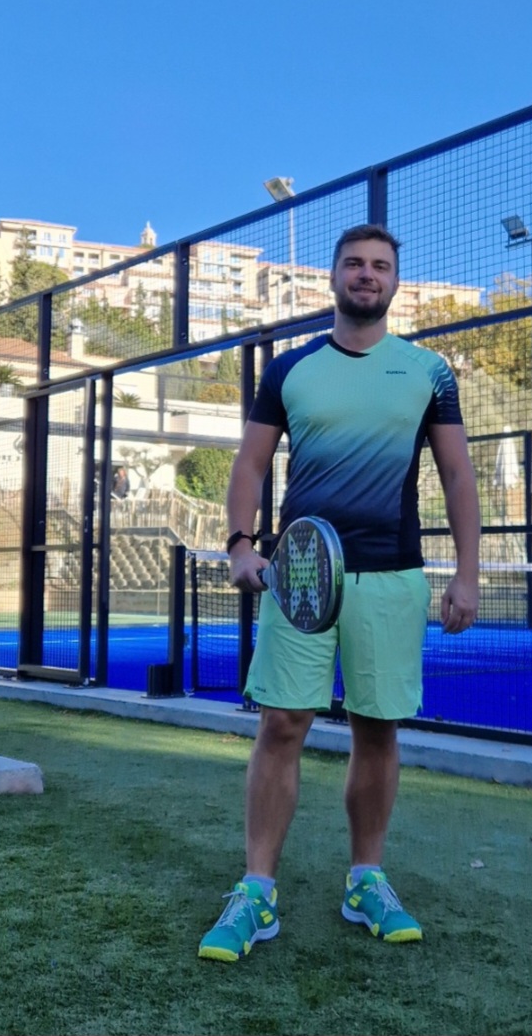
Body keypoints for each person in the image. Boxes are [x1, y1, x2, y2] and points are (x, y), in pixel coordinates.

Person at [198, 224, 480, 963]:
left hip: (392, 575)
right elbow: (250, 465)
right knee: (281, 723)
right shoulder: (289, 368)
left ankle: (365, 881)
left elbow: (456, 474)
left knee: (377, 728)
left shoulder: (429, 371)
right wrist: (239, 544)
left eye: (380, 265)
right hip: (298, 575)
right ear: (331, 276)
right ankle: (256, 890)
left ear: (394, 281)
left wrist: (467, 570)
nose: (366, 274)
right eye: (354, 263)